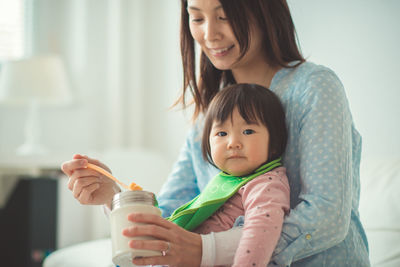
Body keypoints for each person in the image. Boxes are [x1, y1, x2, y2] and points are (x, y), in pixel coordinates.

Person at [61, 0, 370, 266]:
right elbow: (170, 220)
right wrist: (114, 198)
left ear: (263, 9)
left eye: (224, 16)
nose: (209, 34)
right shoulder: (208, 115)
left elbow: (327, 217)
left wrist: (205, 250)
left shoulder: (314, 88)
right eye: (197, 18)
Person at [168, 83, 290, 267]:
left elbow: (260, 233)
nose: (233, 143)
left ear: (274, 143)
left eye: (248, 131)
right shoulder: (224, 181)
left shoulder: (266, 183)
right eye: (222, 133)